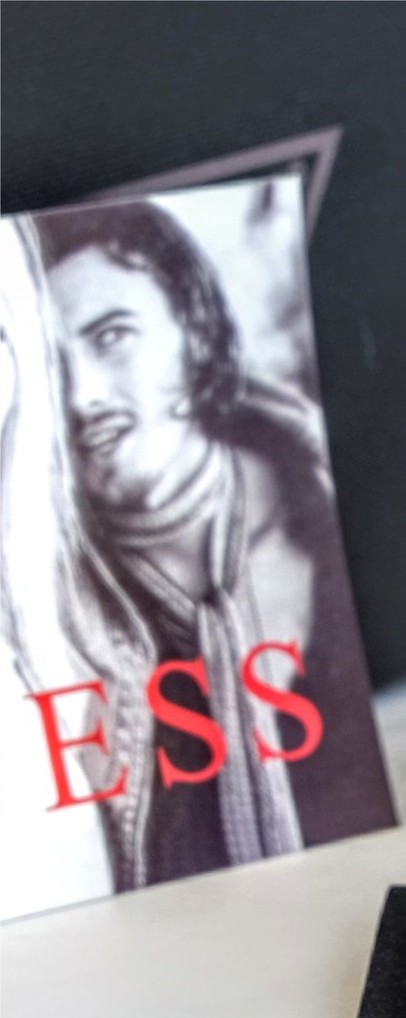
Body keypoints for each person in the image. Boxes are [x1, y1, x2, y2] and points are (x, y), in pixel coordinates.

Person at [12, 196, 361, 891]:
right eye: (50, 361)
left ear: (194, 329)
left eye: (112, 336)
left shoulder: (324, 511)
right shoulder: (31, 601)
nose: (81, 396)